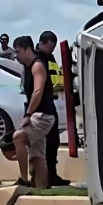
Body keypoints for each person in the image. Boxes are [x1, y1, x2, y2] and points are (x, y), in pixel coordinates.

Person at [13, 36, 56, 189]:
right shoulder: (27, 66)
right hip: (39, 114)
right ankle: (42, 187)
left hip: (43, 115)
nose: (16, 56)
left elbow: (38, 91)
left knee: (18, 137)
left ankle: (23, 179)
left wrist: (28, 115)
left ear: (27, 49)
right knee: (37, 156)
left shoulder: (37, 65)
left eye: (18, 51)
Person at [36, 30, 71, 187]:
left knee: (53, 142)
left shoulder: (49, 57)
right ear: (42, 43)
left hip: (52, 101)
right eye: (50, 47)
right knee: (44, 144)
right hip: (41, 106)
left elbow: (56, 76)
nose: (52, 50)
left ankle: (52, 174)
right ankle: (43, 177)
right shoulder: (37, 60)